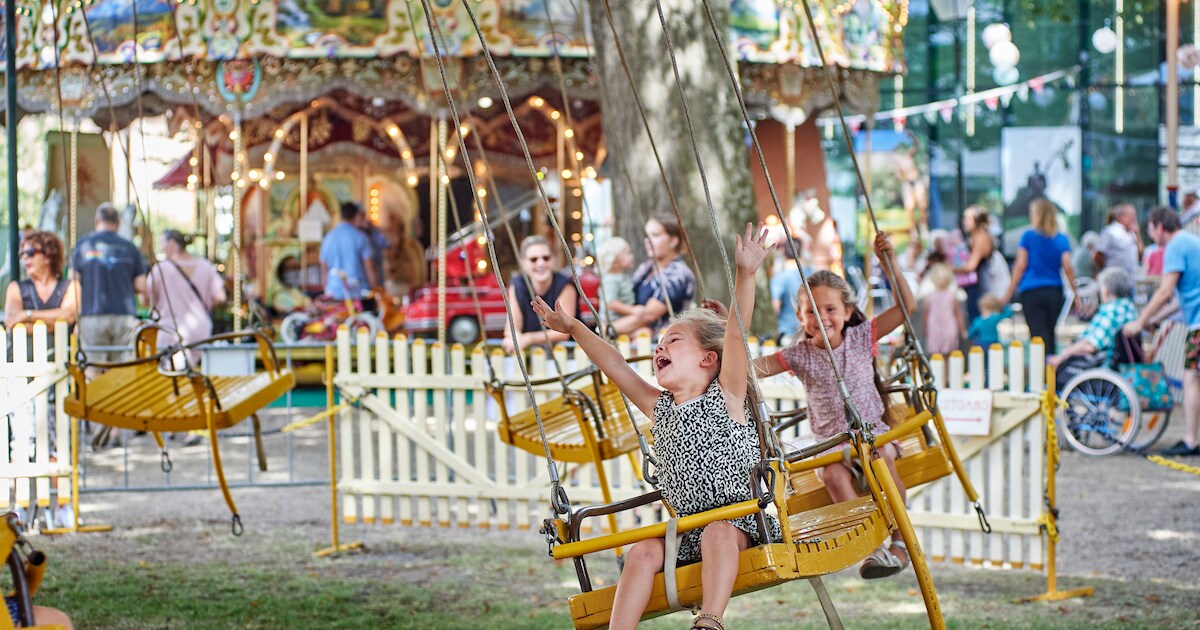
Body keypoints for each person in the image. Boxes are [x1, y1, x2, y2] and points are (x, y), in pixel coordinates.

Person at [531, 224, 778, 630]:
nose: (659, 348)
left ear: (708, 360)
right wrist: (574, 328)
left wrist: (746, 274)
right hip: (688, 530)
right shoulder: (659, 408)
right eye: (659, 343)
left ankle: (710, 621)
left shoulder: (727, 394)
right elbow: (614, 364)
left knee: (717, 532)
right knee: (643, 551)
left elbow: (735, 332)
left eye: (674, 340)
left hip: (736, 522)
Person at [755, 232, 917, 580]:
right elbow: (752, 369)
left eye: (830, 309)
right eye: (811, 311)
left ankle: (901, 541)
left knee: (882, 458)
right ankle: (872, 550)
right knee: (831, 475)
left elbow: (906, 308)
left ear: (846, 311)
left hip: (874, 435)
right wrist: (729, 328)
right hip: (832, 447)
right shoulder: (798, 355)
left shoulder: (862, 338)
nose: (821, 317)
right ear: (799, 316)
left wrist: (889, 263)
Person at [1123, 207, 1200, 456]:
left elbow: (1165, 291)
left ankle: (1190, 440)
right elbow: (1181, 300)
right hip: (1195, 321)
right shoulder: (1190, 242)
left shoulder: (1175, 246)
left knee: (1191, 379)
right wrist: (1154, 320)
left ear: (1159, 226)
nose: (1149, 234)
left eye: (1150, 228)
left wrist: (1140, 321)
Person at [71, 202, 148, 377]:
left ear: (97, 220)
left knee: (93, 368)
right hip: (123, 315)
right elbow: (141, 285)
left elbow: (74, 281)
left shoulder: (83, 245)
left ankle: (95, 401)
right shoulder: (130, 247)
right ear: (118, 222)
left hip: (93, 315)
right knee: (121, 370)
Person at [1002, 199, 1079, 355]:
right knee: (1050, 333)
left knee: (1037, 336)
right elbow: (1068, 267)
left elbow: (1020, 266)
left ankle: (1042, 374)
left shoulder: (1028, 236)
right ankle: (1051, 372)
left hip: (1032, 292)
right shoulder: (1062, 239)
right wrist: (1075, 294)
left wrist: (1008, 293)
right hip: (1054, 292)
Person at [146, 230, 227, 366]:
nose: (160, 247)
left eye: (161, 243)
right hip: (200, 329)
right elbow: (220, 297)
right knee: (190, 371)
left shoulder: (161, 268)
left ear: (171, 243)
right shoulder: (205, 265)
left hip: (170, 331)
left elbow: (146, 299)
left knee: (173, 376)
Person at [612, 214, 696, 337]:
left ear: (673, 241)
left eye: (655, 235)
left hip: (665, 345)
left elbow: (647, 315)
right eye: (647, 236)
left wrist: (608, 328)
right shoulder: (645, 268)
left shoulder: (678, 274)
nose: (648, 241)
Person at [1048, 267, 1138, 383]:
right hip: (1119, 364)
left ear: (1105, 290)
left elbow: (1089, 345)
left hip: (1101, 366)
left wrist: (1061, 357)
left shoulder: (1110, 311)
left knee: (1050, 365)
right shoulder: (1129, 307)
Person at [501, 236, 578, 353]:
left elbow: (564, 331)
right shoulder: (517, 285)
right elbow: (512, 328)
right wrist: (513, 338)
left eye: (546, 258)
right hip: (534, 356)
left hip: (567, 354)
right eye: (533, 259)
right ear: (523, 263)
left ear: (552, 260)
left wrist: (528, 339)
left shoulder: (565, 285)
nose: (541, 263)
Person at [4, 231, 78, 339]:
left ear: (48, 256)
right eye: (22, 254)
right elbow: (11, 320)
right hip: (24, 354)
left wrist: (26, 315)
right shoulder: (15, 288)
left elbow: (68, 315)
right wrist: (54, 322)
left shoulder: (70, 286)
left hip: (61, 353)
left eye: (30, 253)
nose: (25, 258)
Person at [320, 201, 376, 300]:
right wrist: (376, 290)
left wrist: (326, 289)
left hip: (333, 292)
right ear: (356, 216)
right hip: (358, 293)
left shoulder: (328, 237)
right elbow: (369, 268)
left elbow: (324, 267)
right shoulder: (361, 237)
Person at [953, 206, 996, 322]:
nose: (964, 222)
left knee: (978, 319)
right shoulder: (975, 237)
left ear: (976, 220)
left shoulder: (981, 237)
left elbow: (971, 266)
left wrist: (950, 269)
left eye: (967, 218)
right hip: (976, 286)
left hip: (980, 287)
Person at [922, 262, 963, 356]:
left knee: (935, 357)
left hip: (934, 328)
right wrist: (962, 330)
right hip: (948, 328)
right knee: (949, 356)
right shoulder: (952, 296)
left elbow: (926, 314)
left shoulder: (929, 297)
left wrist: (924, 328)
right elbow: (957, 314)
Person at [770, 238, 806, 345]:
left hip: (788, 335)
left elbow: (776, 307)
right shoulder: (814, 274)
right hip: (810, 332)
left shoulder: (779, 279)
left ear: (783, 252)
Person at [1093, 203, 1143, 279]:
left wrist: (1138, 234)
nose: (1134, 218)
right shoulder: (1110, 231)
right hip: (1114, 280)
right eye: (1132, 215)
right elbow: (1097, 255)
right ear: (1121, 217)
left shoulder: (1131, 234)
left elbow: (1141, 253)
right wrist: (1109, 268)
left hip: (1130, 280)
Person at [595, 236, 636, 325]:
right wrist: (632, 310)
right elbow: (611, 303)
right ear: (615, 260)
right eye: (628, 254)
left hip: (622, 318)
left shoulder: (622, 276)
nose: (632, 256)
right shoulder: (611, 280)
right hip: (614, 321)